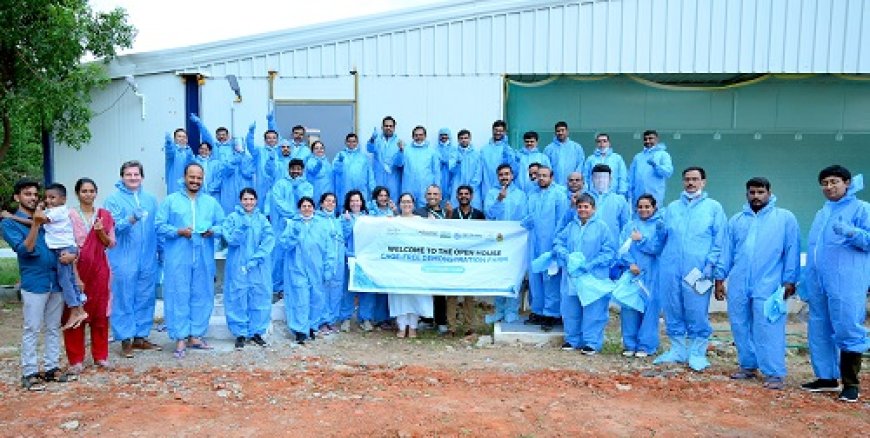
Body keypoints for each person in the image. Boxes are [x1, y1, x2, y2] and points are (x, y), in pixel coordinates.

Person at [713, 177, 800, 390]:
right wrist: (719, 279)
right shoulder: (736, 221)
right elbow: (726, 252)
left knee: (768, 327)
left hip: (769, 283)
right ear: (746, 194)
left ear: (769, 193)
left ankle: (774, 372)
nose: (756, 196)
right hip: (740, 282)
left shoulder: (784, 219)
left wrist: (790, 280)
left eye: (760, 192)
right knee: (740, 324)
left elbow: (792, 250)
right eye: (752, 192)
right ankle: (748, 366)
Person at [800, 165, 869, 402]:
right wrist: (806, 279)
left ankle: (851, 383)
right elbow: (816, 249)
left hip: (847, 280)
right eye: (825, 183)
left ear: (847, 182)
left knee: (848, 326)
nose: (829, 187)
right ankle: (826, 378)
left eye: (834, 182)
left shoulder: (861, 209)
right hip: (819, 281)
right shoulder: (823, 213)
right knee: (819, 328)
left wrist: (853, 233)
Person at [2, 179, 78, 390]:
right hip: (34, 282)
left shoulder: (49, 216)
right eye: (28, 194)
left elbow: (67, 239)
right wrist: (35, 224)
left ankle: (52, 368)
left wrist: (73, 254)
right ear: (17, 197)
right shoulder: (9, 223)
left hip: (56, 280)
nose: (33, 198)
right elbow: (25, 250)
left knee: (53, 327)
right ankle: (30, 372)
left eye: (36, 194)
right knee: (32, 328)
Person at [655, 167, 726, 371]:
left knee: (696, 310)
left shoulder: (714, 208)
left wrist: (711, 265)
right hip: (671, 267)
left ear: (703, 182)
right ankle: (677, 350)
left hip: (700, 270)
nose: (691, 183)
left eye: (695, 179)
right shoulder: (672, 208)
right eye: (687, 179)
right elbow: (661, 239)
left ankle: (697, 352)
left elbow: (720, 240)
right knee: (672, 308)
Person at [156, 163, 225, 358]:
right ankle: (180, 337)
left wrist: (212, 231)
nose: (195, 181)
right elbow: (159, 225)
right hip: (178, 256)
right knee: (178, 294)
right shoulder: (171, 201)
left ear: (203, 179)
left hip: (203, 256)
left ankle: (196, 335)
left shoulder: (211, 202)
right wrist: (178, 231)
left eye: (199, 178)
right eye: (191, 177)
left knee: (202, 293)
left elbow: (223, 224)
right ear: (184, 177)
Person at [104, 160, 161, 358]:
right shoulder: (113, 200)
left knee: (145, 295)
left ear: (142, 177)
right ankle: (125, 338)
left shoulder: (151, 200)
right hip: (123, 256)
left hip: (148, 256)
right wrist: (131, 219)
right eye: (129, 175)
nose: (133, 178)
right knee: (124, 296)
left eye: (136, 174)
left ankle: (140, 336)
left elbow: (157, 227)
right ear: (122, 177)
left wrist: (160, 251)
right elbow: (111, 228)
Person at [61, 178, 116, 373]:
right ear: (77, 193)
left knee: (100, 312)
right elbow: (63, 241)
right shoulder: (69, 215)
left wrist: (100, 232)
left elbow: (110, 243)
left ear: (96, 193)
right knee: (74, 311)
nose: (88, 194)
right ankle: (76, 360)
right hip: (76, 267)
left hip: (100, 267)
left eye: (92, 191)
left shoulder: (104, 215)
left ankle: (100, 356)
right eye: (84, 191)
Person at [553, 193, 616, 354]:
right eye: (580, 206)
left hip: (593, 276)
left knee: (593, 310)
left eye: (586, 206)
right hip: (573, 276)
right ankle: (572, 339)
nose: (582, 209)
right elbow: (558, 242)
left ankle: (592, 342)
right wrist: (566, 256)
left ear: (593, 209)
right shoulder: (571, 226)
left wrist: (591, 264)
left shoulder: (602, 227)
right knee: (570, 308)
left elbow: (609, 251)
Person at [222, 188, 275, 350]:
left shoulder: (262, 220)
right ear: (240, 200)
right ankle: (240, 333)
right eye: (245, 199)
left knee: (260, 296)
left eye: (251, 199)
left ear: (256, 201)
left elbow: (268, 240)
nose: (248, 202)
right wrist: (241, 230)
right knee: (237, 297)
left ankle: (257, 332)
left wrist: (256, 259)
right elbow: (230, 239)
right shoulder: (232, 218)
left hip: (259, 266)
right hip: (237, 265)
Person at [282, 196, 337, 344]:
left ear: (314, 208)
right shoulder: (292, 224)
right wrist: (292, 237)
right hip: (297, 268)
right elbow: (284, 245)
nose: (306, 209)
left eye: (309, 206)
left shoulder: (321, 225)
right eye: (304, 206)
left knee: (316, 298)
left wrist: (328, 268)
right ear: (299, 208)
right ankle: (300, 330)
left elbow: (329, 249)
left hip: (317, 268)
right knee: (300, 298)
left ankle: (312, 326)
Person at [522, 166, 569, 331]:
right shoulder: (533, 194)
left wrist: (557, 244)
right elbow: (528, 216)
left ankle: (552, 314)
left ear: (552, 177)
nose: (541, 178)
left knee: (550, 279)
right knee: (535, 278)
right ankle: (538, 311)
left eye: (544, 176)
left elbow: (562, 221)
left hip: (550, 243)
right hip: (534, 243)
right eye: (538, 176)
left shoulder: (559, 195)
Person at [618, 194, 665, 357]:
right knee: (629, 307)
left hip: (652, 273)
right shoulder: (630, 226)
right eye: (640, 207)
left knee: (650, 308)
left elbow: (657, 248)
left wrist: (641, 239)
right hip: (632, 273)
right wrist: (630, 263)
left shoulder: (659, 226)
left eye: (647, 207)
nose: (643, 210)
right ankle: (630, 344)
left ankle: (646, 345)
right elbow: (622, 247)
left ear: (654, 208)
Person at [39, 183, 88, 331]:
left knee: (65, 280)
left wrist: (13, 217)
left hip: (64, 250)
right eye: (46, 197)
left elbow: (37, 220)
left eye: (52, 197)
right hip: (62, 248)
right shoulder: (54, 211)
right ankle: (80, 310)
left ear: (63, 200)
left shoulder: (58, 211)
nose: (48, 200)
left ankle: (74, 310)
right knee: (69, 279)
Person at [484, 164, 528, 324]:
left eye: (507, 174)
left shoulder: (521, 195)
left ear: (512, 176)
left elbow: (524, 218)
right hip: (498, 242)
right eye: (501, 174)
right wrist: (499, 200)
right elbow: (489, 215)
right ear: (497, 177)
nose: (504, 177)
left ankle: (512, 310)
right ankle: (499, 310)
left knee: (514, 275)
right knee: (499, 275)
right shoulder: (491, 194)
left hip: (516, 243)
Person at [392, 192, 435, 338]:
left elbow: (430, 237)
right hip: (399, 265)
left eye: (409, 202)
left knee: (416, 295)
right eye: (403, 202)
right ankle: (402, 326)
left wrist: (432, 224)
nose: (406, 204)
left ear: (413, 204)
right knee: (400, 296)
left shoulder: (420, 221)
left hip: (416, 264)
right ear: (399, 204)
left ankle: (413, 327)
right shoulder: (394, 221)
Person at [270, 158, 314, 296]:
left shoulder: (307, 185)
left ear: (302, 170)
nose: (296, 171)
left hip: (301, 224)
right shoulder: (280, 184)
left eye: (298, 169)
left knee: (299, 256)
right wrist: (293, 214)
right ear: (288, 169)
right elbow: (278, 202)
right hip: (281, 225)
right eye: (293, 168)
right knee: (279, 256)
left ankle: (296, 285)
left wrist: (298, 187)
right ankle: (278, 287)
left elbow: (306, 202)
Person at [413, 184, 453, 335]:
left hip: (441, 257)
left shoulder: (447, 212)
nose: (432, 197)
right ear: (425, 196)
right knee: (424, 289)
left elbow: (452, 233)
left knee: (439, 290)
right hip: (424, 256)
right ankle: (426, 319)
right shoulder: (419, 213)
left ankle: (441, 321)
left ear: (440, 197)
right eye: (429, 194)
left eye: (435, 194)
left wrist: (448, 218)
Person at [448, 185, 485, 334]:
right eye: (461, 194)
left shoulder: (479, 215)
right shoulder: (451, 213)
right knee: (451, 295)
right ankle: (451, 327)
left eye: (466, 194)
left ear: (472, 196)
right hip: (454, 258)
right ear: (457, 196)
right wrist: (448, 218)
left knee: (469, 295)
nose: (464, 196)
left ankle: (470, 327)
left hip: (471, 260)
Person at [587, 164, 630, 267]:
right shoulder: (585, 199)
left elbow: (626, 227)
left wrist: (621, 251)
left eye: (604, 177)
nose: (601, 181)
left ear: (610, 179)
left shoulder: (619, 200)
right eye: (597, 177)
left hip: (612, 250)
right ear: (592, 179)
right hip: (588, 250)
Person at [338, 190, 369, 331]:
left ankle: (366, 318)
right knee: (348, 289)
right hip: (349, 257)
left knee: (366, 289)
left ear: (362, 202)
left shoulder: (368, 219)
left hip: (365, 258)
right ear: (348, 203)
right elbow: (340, 239)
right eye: (352, 201)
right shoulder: (343, 218)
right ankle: (346, 318)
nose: (355, 203)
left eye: (357, 200)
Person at [318, 193, 346, 333]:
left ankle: (332, 320)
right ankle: (322, 320)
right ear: (322, 203)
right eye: (327, 201)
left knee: (336, 290)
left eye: (333, 201)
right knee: (323, 291)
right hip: (324, 262)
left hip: (338, 262)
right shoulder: (317, 220)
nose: (330, 204)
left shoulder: (337, 221)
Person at [245, 114, 280, 215]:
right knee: (260, 209)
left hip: (277, 184)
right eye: (269, 138)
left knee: (276, 211)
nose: (271, 140)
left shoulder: (280, 152)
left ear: (277, 140)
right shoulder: (259, 151)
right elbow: (250, 146)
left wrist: (271, 121)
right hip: (262, 184)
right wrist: (251, 133)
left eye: (274, 138)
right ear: (265, 140)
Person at [398, 126, 441, 209]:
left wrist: (436, 188)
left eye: (421, 135)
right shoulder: (406, 150)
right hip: (409, 186)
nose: (418, 137)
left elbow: (436, 171)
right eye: (416, 135)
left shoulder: (432, 151)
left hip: (425, 188)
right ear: (412, 136)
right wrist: (400, 151)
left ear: (425, 136)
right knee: (408, 210)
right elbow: (398, 164)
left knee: (425, 211)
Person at [628, 130, 673, 205]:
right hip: (638, 196)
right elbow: (631, 177)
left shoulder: (663, 155)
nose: (648, 141)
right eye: (645, 139)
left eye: (650, 138)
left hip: (655, 195)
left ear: (657, 139)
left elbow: (668, 172)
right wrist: (629, 194)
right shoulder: (638, 157)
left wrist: (656, 166)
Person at [334, 132, 376, 213]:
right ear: (345, 142)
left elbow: (370, 175)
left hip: (361, 191)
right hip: (344, 190)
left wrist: (373, 191)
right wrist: (339, 162)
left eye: (354, 141)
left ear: (357, 143)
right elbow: (336, 171)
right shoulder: (340, 155)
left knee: (361, 214)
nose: (351, 143)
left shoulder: (363, 157)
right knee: (345, 214)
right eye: (349, 141)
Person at [213, 137, 255, 215]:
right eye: (236, 144)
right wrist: (233, 163)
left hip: (244, 188)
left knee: (246, 211)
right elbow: (224, 173)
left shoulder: (248, 159)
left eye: (240, 144)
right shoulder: (227, 159)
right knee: (229, 213)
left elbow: (249, 173)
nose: (238, 147)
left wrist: (242, 163)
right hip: (229, 191)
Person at [367, 116, 403, 203]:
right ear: (382, 127)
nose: (388, 128)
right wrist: (372, 140)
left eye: (391, 126)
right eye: (386, 126)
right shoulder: (377, 140)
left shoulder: (399, 142)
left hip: (393, 178)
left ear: (394, 128)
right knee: (377, 201)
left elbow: (400, 163)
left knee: (392, 201)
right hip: (378, 177)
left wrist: (401, 151)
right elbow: (370, 149)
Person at [583, 133, 628, 199]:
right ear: (596, 144)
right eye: (599, 141)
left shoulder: (617, 158)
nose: (602, 143)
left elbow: (623, 177)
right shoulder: (590, 159)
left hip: (613, 194)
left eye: (604, 141)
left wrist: (621, 194)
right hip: (594, 196)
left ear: (609, 143)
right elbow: (585, 177)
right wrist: (587, 193)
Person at [543, 121, 585, 188]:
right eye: (558, 131)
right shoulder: (548, 149)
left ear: (567, 131)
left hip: (573, 186)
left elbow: (580, 165)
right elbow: (546, 168)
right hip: (554, 186)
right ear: (555, 133)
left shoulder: (576, 147)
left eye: (562, 130)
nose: (560, 133)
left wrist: (575, 180)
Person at [480, 120, 514, 200]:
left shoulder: (508, 150)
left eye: (501, 131)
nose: (498, 133)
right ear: (492, 130)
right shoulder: (484, 150)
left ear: (505, 132)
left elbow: (512, 171)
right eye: (496, 130)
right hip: (486, 188)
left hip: (502, 190)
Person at [449, 129, 483, 210]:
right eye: (461, 138)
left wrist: (470, 189)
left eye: (466, 138)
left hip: (473, 189)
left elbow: (478, 173)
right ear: (458, 140)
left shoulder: (476, 154)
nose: (464, 140)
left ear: (470, 139)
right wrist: (458, 163)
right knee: (455, 212)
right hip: (457, 187)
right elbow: (451, 170)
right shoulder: (453, 153)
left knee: (474, 212)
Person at [163, 128, 192, 195]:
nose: (182, 138)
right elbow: (170, 151)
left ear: (187, 140)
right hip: (174, 187)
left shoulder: (189, 152)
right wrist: (168, 143)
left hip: (187, 187)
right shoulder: (174, 152)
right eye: (179, 136)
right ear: (175, 139)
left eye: (184, 137)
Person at [436, 128, 458, 199]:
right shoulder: (435, 149)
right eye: (441, 135)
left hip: (450, 175)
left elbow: (454, 161)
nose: (443, 137)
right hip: (439, 174)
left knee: (451, 193)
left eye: (445, 135)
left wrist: (447, 162)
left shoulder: (454, 149)